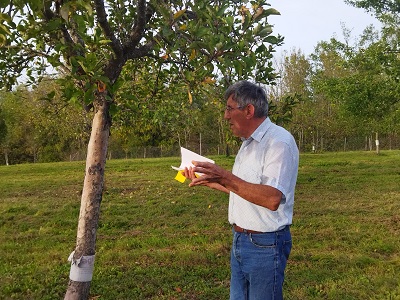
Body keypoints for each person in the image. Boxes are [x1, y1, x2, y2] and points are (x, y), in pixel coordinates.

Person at [183, 80, 299, 300]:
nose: (226, 116)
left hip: (266, 245)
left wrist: (225, 176)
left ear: (249, 110)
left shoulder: (278, 143)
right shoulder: (248, 144)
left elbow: (272, 198)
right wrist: (211, 180)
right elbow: (245, 190)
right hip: (241, 240)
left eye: (229, 108)